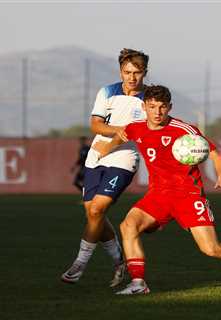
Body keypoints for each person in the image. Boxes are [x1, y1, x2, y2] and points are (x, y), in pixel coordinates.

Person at [93, 84, 221, 295]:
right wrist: (103, 150)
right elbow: (120, 136)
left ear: (170, 107)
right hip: (158, 195)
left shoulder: (184, 130)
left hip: (188, 195)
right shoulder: (135, 127)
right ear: (144, 106)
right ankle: (138, 284)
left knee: (212, 249)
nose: (157, 112)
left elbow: (215, 153)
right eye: (152, 107)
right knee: (128, 226)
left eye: (162, 107)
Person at [61, 49, 149, 287]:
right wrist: (116, 131)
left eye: (137, 72)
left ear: (145, 73)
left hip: (124, 159)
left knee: (97, 209)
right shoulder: (107, 91)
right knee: (93, 213)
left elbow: (136, 133)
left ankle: (79, 264)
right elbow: (95, 124)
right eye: (127, 72)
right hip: (96, 157)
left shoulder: (149, 98)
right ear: (121, 71)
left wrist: (113, 142)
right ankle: (120, 261)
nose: (132, 77)